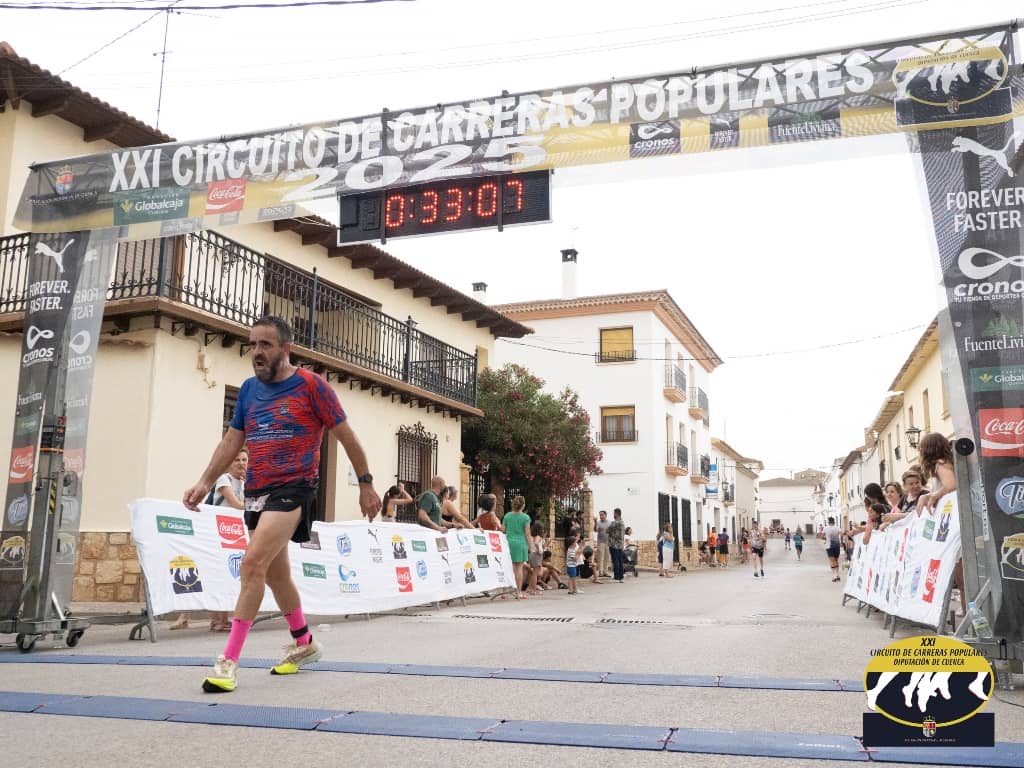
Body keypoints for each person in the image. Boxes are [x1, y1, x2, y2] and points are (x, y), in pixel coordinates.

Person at [182, 316, 380, 694]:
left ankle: (228, 662)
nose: (256, 352)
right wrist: (205, 481)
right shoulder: (248, 390)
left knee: (252, 564)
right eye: (253, 344)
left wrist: (366, 484)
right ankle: (304, 642)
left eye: (265, 345)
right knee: (275, 575)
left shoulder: (311, 385)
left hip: (294, 487)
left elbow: (346, 435)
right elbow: (232, 441)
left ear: (285, 349)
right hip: (257, 490)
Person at [171, 446, 249, 632]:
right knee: (210, 573)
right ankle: (212, 620)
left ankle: (218, 619)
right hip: (214, 533)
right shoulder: (223, 479)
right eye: (236, 460)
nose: (241, 464)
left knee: (223, 575)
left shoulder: (245, 483)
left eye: (244, 460)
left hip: (232, 536)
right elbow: (237, 504)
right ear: (228, 464)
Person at [504, 496, 532, 599]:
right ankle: (518, 592)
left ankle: (505, 592)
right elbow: (527, 533)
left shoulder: (507, 516)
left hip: (509, 543)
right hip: (521, 544)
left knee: (508, 567)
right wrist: (531, 546)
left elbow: (503, 529)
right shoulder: (526, 517)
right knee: (519, 568)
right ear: (523, 505)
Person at [526, 520, 545, 595]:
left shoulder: (531, 536)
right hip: (536, 555)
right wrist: (538, 550)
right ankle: (533, 590)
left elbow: (529, 545)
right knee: (535, 574)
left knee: (534, 573)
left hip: (531, 554)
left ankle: (529, 588)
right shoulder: (538, 536)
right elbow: (536, 543)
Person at [608, 508, 626, 582]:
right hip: (620, 545)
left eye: (614, 513)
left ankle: (616, 577)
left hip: (614, 544)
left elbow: (607, 530)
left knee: (615, 561)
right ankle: (621, 577)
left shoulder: (615, 522)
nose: (613, 515)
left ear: (616, 514)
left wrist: (611, 533)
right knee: (620, 560)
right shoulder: (622, 522)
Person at [823, 516, 842, 583]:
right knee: (836, 560)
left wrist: (826, 538)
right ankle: (838, 575)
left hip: (829, 546)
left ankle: (834, 576)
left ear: (828, 522)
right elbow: (841, 534)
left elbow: (822, 536)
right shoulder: (837, 527)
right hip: (837, 546)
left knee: (832, 560)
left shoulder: (825, 528)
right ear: (834, 521)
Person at [594, 510, 611, 578]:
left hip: (608, 542)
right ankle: (600, 572)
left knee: (607, 557)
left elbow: (611, 531)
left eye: (602, 515)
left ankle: (605, 572)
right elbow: (595, 530)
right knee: (600, 558)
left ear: (605, 515)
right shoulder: (598, 523)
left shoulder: (609, 523)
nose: (601, 516)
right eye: (600, 515)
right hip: (600, 542)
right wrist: (595, 522)